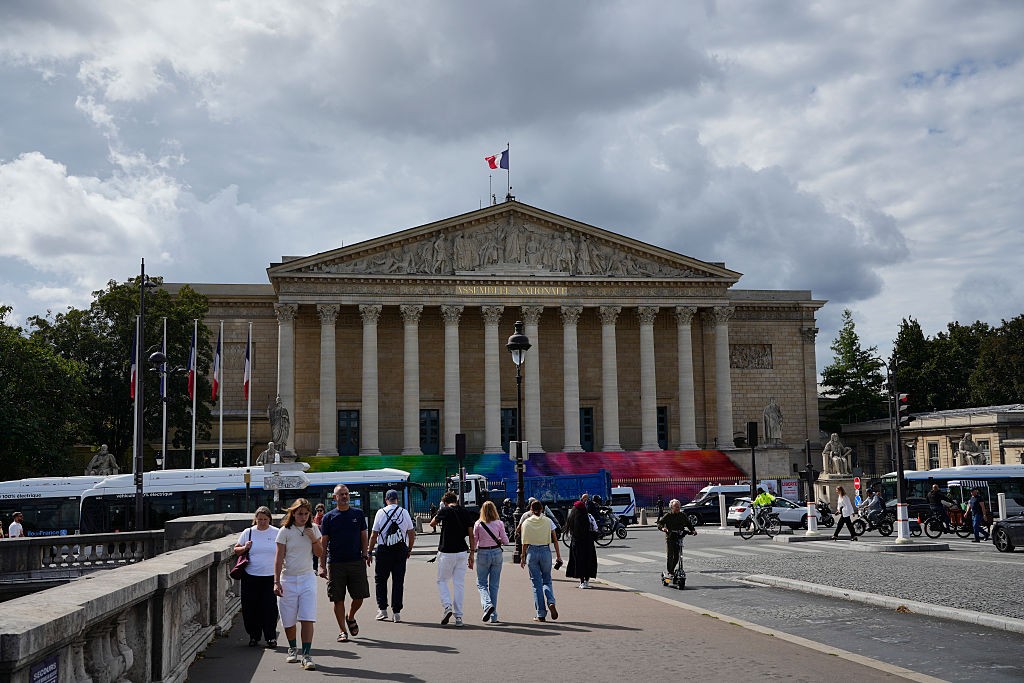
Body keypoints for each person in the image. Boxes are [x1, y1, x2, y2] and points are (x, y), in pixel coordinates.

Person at [273, 498, 323, 671]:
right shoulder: (285, 531)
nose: (303, 517)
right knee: (288, 619)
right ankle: (293, 648)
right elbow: (279, 558)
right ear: (292, 513)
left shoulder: (314, 529)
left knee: (307, 617)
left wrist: (313, 538)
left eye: (306, 513)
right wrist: (276, 581)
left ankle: (307, 654)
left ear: (310, 514)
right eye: (299, 513)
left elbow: (320, 553)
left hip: (307, 577)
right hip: (288, 578)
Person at [318, 485, 370, 643]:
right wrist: (321, 565)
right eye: (341, 494)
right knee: (337, 598)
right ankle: (342, 631)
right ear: (335, 498)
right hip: (336, 563)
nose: (344, 496)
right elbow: (324, 543)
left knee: (360, 596)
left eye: (346, 494)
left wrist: (365, 553)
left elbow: (363, 535)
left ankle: (351, 616)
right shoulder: (328, 517)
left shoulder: (358, 514)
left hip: (356, 561)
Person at [368, 489, 416, 623]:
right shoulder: (404, 512)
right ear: (397, 500)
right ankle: (397, 612)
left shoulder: (380, 512)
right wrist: (409, 549)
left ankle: (382, 610)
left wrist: (369, 551)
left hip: (383, 550)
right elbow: (411, 533)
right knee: (398, 581)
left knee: (380, 580)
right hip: (400, 549)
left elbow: (374, 535)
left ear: (386, 500)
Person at [234, 506, 279, 648]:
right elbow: (236, 549)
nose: (262, 522)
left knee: (270, 608)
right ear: (255, 519)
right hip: (251, 575)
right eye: (259, 520)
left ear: (270, 519)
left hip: (270, 576)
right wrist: (245, 548)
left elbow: (284, 550)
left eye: (265, 519)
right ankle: (254, 636)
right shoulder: (248, 532)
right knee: (250, 607)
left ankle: (270, 637)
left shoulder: (276, 532)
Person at [429, 491, 476, 626]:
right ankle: (459, 616)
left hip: (446, 551)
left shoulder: (445, 510)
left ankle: (447, 606)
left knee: (442, 581)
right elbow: (471, 535)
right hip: (462, 551)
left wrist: (440, 511)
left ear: (445, 502)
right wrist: (472, 553)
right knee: (459, 584)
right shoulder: (464, 512)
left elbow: (432, 523)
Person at [519, 500, 562, 622]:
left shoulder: (526, 523)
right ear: (542, 509)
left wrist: (522, 557)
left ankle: (541, 614)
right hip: (545, 551)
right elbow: (555, 539)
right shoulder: (548, 521)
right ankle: (551, 601)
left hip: (532, 552)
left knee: (536, 584)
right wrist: (558, 556)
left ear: (531, 510)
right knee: (547, 580)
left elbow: (524, 542)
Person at [473, 500, 509, 623]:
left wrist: (472, 553)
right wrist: (498, 538)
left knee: (481, 583)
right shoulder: (499, 523)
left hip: (482, 553)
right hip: (496, 553)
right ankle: (493, 616)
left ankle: (488, 605)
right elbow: (506, 541)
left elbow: (475, 540)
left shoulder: (478, 524)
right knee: (494, 585)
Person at [656, 499, 696, 574]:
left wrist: (693, 530)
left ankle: (672, 569)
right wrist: (663, 528)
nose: (678, 508)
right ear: (672, 507)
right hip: (670, 537)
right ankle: (670, 571)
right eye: (676, 507)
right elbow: (660, 523)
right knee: (670, 555)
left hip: (679, 536)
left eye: (678, 507)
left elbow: (688, 524)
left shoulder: (682, 515)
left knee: (677, 556)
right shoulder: (668, 515)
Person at [565, 500, 598, 589]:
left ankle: (582, 581)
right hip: (588, 542)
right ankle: (587, 581)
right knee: (588, 561)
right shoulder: (589, 517)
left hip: (576, 542)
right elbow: (595, 528)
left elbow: (568, 534)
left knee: (578, 561)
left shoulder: (571, 518)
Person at [312, 503, 325, 571]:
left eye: (320, 510)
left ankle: (323, 567)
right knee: (315, 554)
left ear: (323, 511)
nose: (319, 512)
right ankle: (315, 569)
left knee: (324, 553)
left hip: (324, 537)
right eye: (318, 510)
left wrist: (317, 526)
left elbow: (325, 527)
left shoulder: (325, 518)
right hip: (316, 537)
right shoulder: (315, 518)